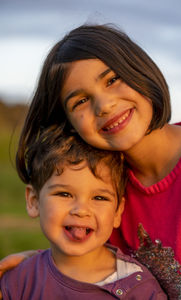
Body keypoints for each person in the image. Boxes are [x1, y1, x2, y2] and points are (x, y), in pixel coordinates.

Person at [0, 23, 181, 288]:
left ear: (140, 70)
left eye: (113, 80)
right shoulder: (100, 189)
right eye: (80, 101)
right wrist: (40, 266)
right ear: (69, 124)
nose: (104, 105)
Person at [0, 124, 166, 299]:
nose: (81, 210)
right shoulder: (19, 280)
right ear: (33, 201)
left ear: (118, 211)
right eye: (64, 194)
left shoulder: (140, 290)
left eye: (99, 198)